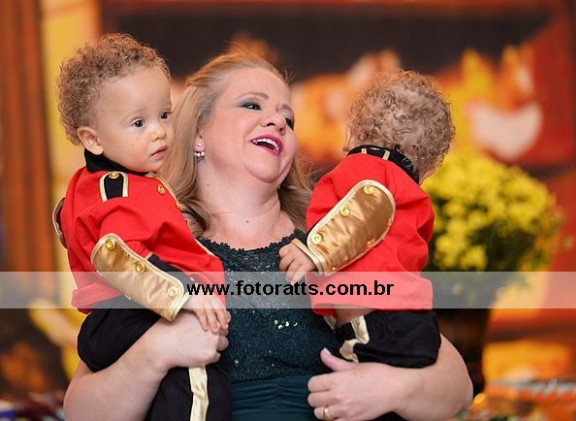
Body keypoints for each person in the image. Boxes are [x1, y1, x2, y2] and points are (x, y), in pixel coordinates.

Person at [62, 52, 473, 421]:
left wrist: (390, 389)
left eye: (288, 119)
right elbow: (81, 412)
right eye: (252, 105)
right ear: (198, 131)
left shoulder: (335, 241)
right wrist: (156, 352)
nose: (277, 121)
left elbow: (457, 387)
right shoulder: (157, 253)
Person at [53, 33, 230, 421]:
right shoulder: (119, 191)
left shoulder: (91, 184)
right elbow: (118, 258)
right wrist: (185, 293)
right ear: (92, 139)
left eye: (164, 115)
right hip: (132, 310)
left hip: (114, 318)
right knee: (201, 385)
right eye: (138, 122)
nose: (159, 131)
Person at [279, 70, 454, 394]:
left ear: (351, 135)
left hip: (374, 317)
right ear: (427, 165)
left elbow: (367, 207)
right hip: (413, 317)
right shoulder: (408, 189)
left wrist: (314, 250)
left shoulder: (363, 170)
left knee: (355, 391)